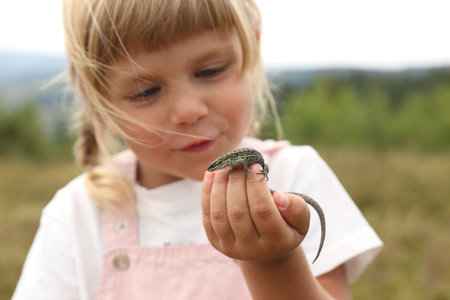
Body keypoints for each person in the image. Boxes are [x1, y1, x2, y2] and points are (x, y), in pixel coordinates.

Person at [13, 0, 382, 299]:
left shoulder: (295, 171)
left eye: (210, 71)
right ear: (97, 103)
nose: (189, 111)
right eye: (145, 92)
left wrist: (275, 261)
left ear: (251, 49)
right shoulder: (77, 213)